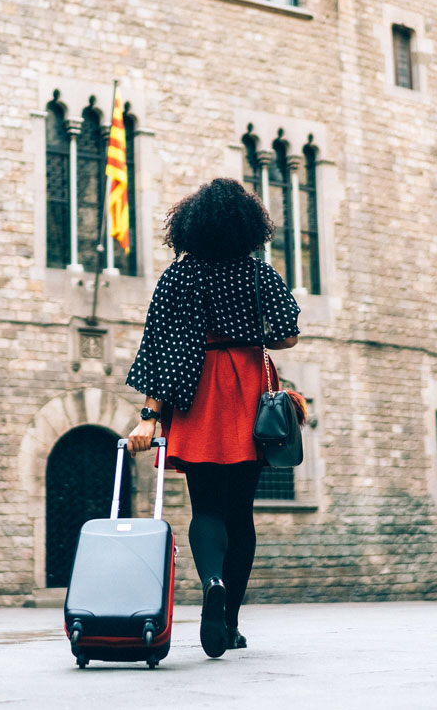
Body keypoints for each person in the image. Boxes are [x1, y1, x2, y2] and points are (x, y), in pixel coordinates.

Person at [125, 177, 300, 659]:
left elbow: (161, 349)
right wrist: (251, 330)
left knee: (205, 508)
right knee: (241, 513)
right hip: (247, 388)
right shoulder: (259, 275)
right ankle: (231, 621)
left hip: (198, 392)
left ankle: (213, 582)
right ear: (246, 227)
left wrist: (149, 417)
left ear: (191, 227)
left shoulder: (179, 277)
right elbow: (287, 337)